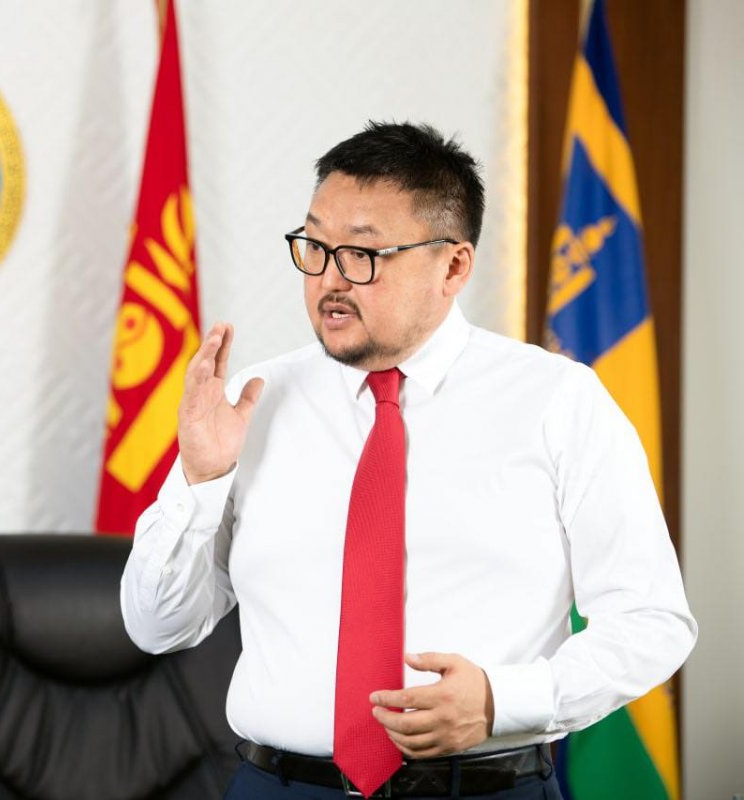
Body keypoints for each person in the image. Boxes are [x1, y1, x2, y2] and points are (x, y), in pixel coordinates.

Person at [120, 122, 696, 799]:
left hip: (483, 789)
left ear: (453, 267)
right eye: (315, 247)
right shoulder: (255, 400)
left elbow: (653, 622)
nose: (329, 281)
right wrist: (199, 480)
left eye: (363, 254)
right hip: (277, 786)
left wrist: (502, 701)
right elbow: (157, 627)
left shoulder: (558, 401)